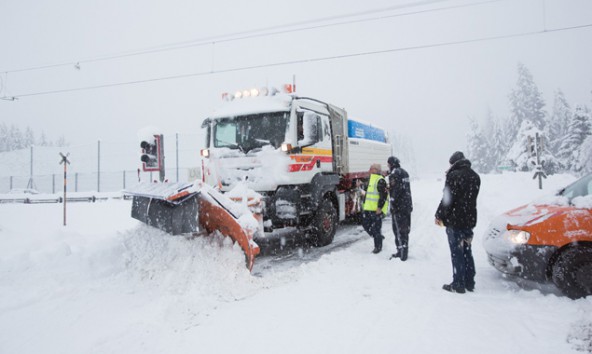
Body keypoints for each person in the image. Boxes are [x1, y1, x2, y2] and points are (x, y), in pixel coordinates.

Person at [435, 151, 481, 294]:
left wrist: (439, 215)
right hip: (469, 220)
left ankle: (458, 283)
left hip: (455, 221)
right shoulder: (475, 176)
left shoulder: (453, 176)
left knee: (457, 252)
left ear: (453, 163)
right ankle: (469, 281)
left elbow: (447, 200)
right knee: (467, 250)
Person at [387, 156, 413, 261]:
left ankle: (402, 253)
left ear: (391, 164)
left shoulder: (394, 174)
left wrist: (392, 201)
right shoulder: (405, 172)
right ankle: (403, 250)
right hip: (407, 205)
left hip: (399, 207)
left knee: (398, 230)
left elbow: (396, 190)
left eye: (388, 164)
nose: (388, 166)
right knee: (405, 229)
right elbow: (403, 188)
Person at [362, 163, 389, 254]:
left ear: (376, 170)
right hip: (369, 208)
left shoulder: (380, 180)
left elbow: (383, 196)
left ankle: (378, 247)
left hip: (376, 210)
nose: (369, 170)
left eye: (371, 168)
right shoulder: (371, 179)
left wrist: (379, 207)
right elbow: (369, 194)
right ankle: (378, 237)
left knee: (376, 228)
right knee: (366, 224)